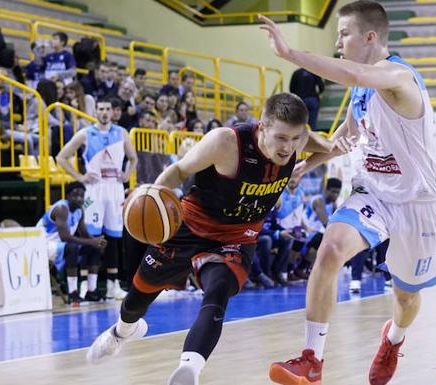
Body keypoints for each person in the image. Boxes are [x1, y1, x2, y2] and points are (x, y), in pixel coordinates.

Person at [85, 93, 333, 385]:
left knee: (218, 291)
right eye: (281, 138)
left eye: (295, 139)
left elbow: (331, 146)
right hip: (191, 225)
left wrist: (308, 164)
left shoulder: (300, 139)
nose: (288, 147)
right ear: (262, 126)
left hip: (238, 236)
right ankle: (122, 332)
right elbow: (179, 169)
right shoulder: (226, 142)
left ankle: (189, 370)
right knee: (137, 299)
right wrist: (153, 194)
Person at [260, 2, 436, 384]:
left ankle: (393, 339)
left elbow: (349, 73)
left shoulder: (398, 77)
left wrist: (291, 53)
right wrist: (307, 164)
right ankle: (312, 359)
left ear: (370, 37)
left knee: (406, 297)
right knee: (329, 251)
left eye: (343, 34)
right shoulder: (362, 94)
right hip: (374, 193)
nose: (338, 42)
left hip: (420, 203)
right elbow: (346, 137)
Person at [56, 98, 138, 300]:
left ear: (113, 112)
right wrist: (80, 177)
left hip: (115, 189)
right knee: (89, 236)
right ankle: (84, 285)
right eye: (100, 109)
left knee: (114, 238)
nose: (104, 112)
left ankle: (113, 285)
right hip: (93, 190)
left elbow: (134, 158)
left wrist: (127, 175)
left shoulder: (121, 133)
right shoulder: (85, 133)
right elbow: (61, 157)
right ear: (96, 111)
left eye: (107, 109)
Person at [36, 182, 107, 305]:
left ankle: (91, 290)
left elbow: (84, 233)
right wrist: (93, 241)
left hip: (59, 245)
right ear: (68, 196)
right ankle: (72, 293)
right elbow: (65, 237)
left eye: (81, 196)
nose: (79, 198)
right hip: (42, 244)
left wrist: (97, 242)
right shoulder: (61, 209)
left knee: (93, 248)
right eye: (75, 195)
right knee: (72, 248)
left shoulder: (79, 211)